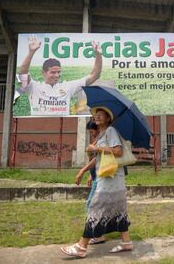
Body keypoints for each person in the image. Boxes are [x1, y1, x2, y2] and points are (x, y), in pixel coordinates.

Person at [60, 107, 133, 258]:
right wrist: (86, 165)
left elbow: (118, 151)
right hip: (109, 179)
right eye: (95, 115)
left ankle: (81, 246)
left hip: (109, 180)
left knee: (95, 207)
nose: (97, 117)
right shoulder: (102, 134)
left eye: (101, 115)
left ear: (108, 118)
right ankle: (126, 242)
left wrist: (97, 148)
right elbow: (98, 158)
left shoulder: (111, 131)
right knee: (119, 210)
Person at [17, 34, 102, 116]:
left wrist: (98, 55)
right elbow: (22, 74)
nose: (57, 75)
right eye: (53, 72)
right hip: (37, 125)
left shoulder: (67, 86)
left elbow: (94, 75)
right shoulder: (34, 87)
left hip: (62, 126)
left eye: (58, 72)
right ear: (43, 72)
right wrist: (31, 52)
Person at [74, 120, 107, 245]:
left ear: (98, 129)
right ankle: (99, 234)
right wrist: (90, 175)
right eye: (90, 132)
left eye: (92, 131)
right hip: (96, 178)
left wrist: (82, 171)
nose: (91, 134)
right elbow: (95, 161)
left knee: (91, 206)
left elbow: (96, 160)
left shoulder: (101, 141)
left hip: (101, 178)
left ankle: (97, 235)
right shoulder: (97, 140)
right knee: (96, 206)